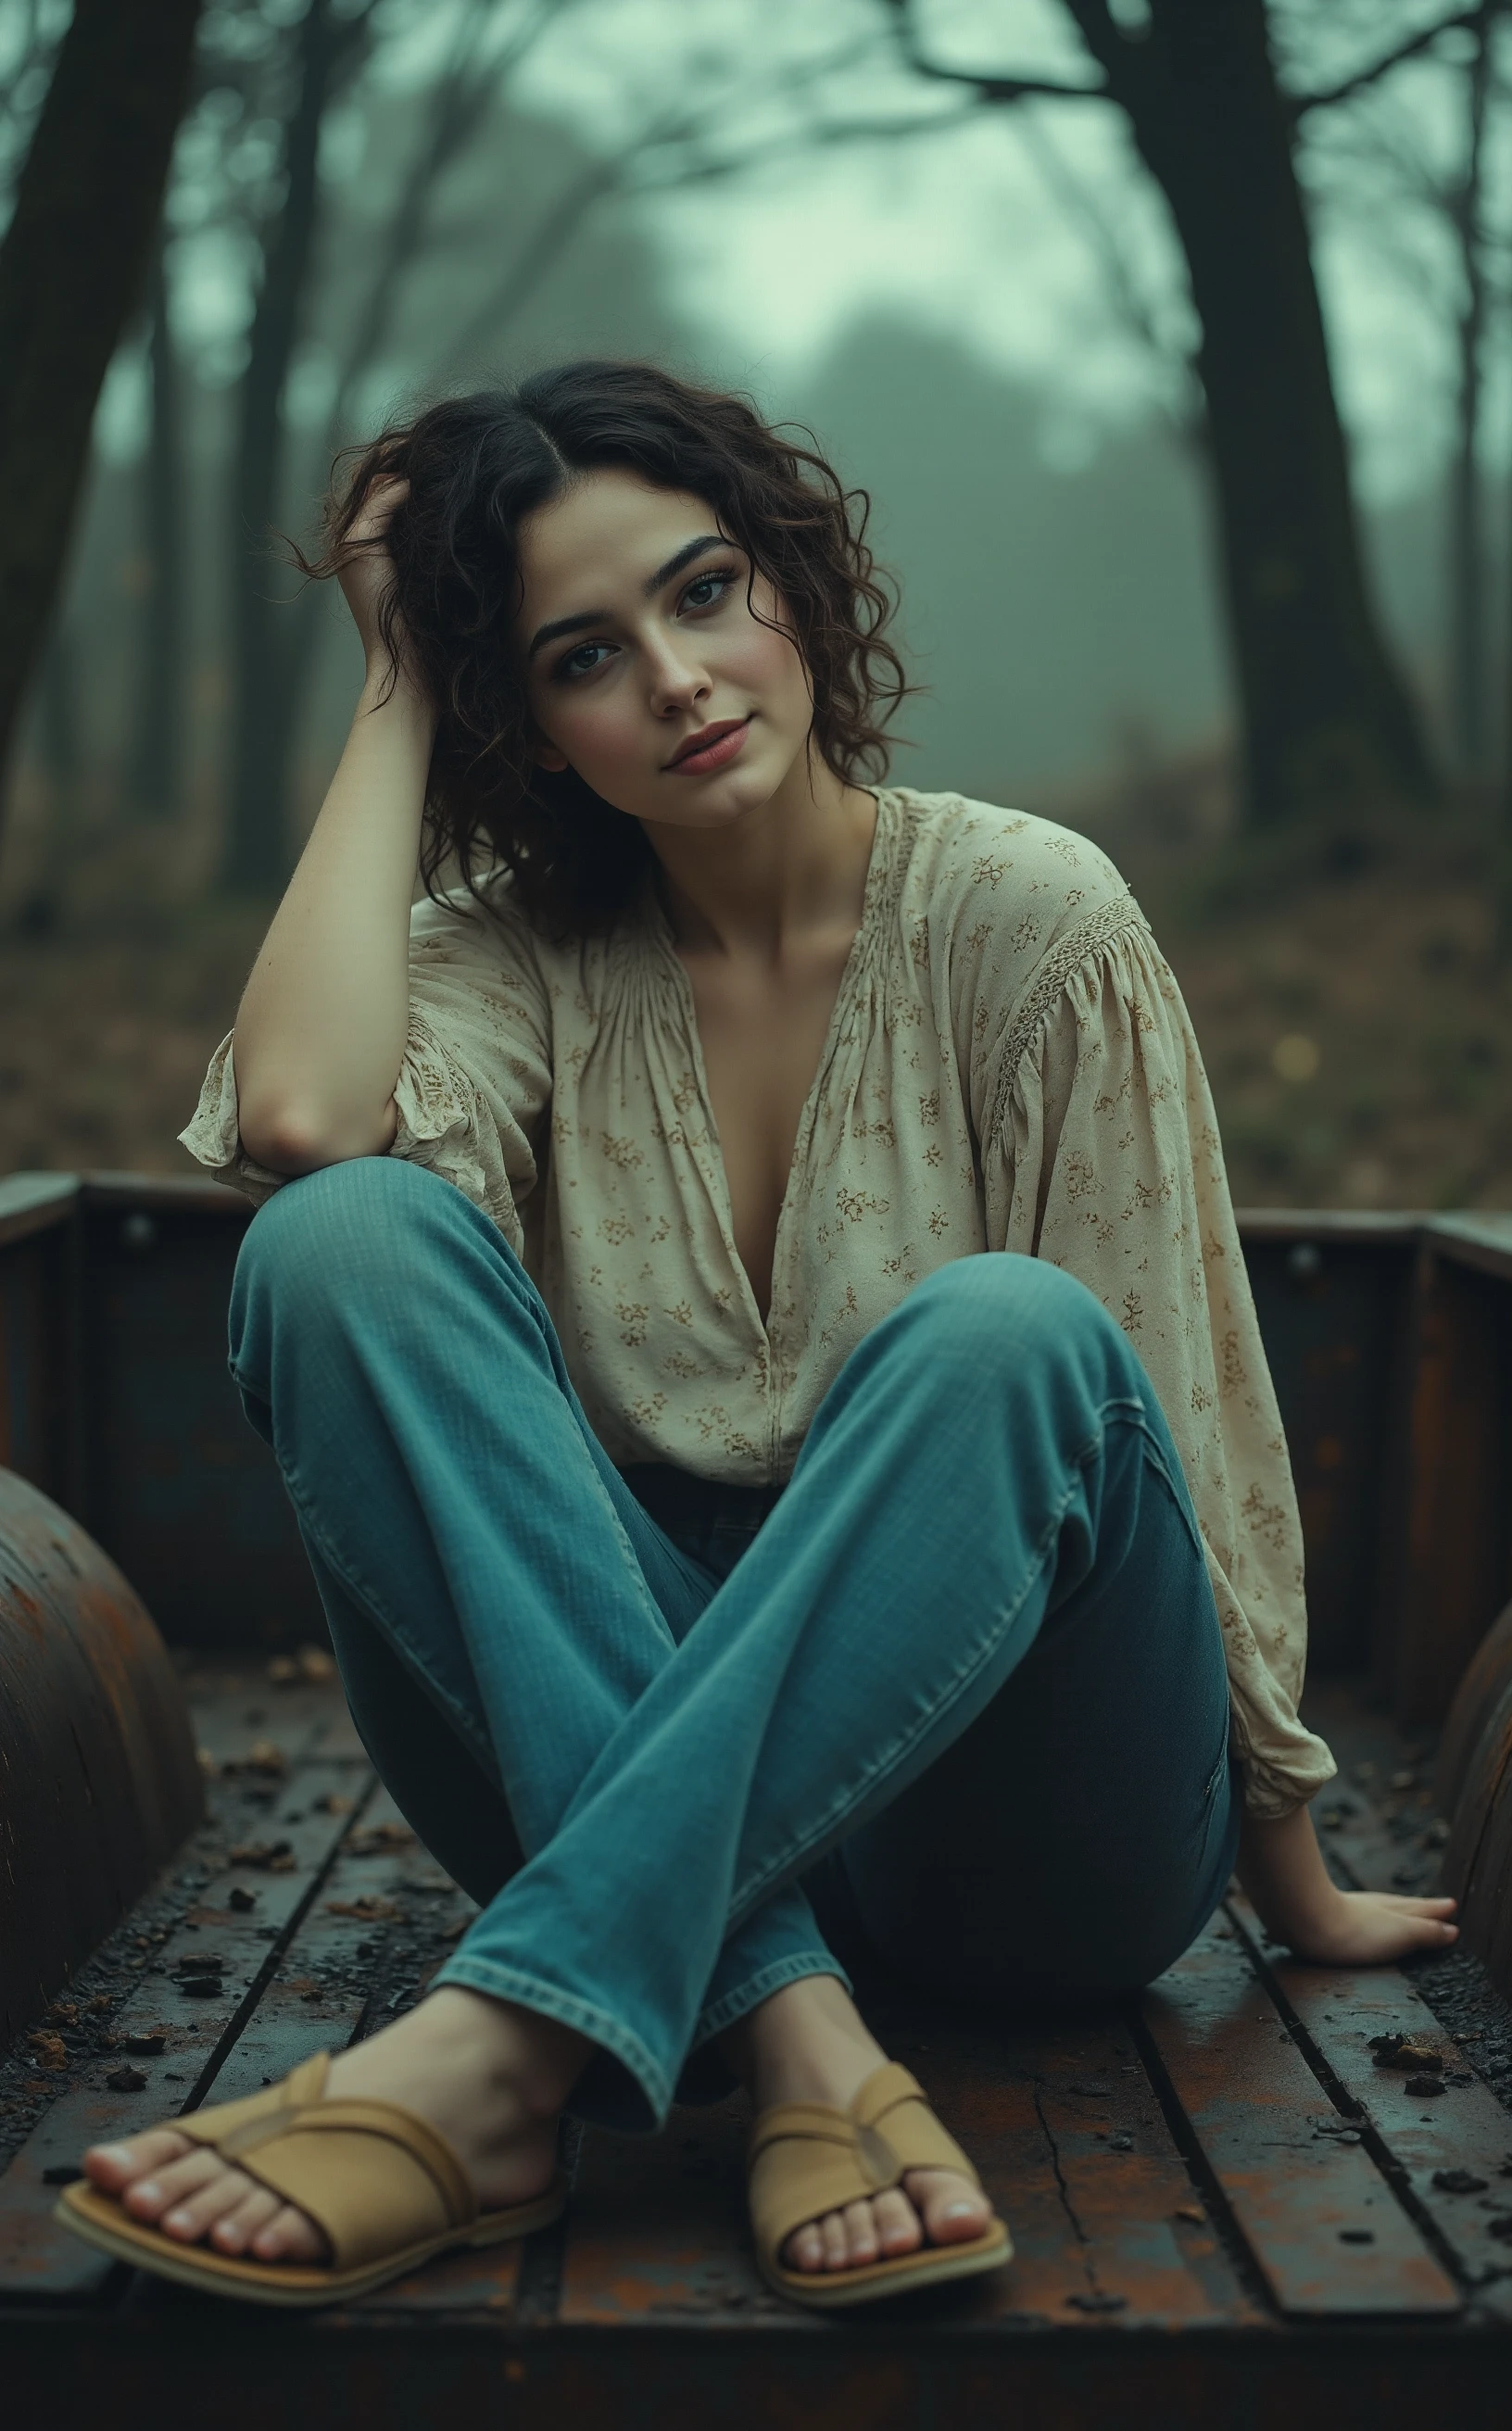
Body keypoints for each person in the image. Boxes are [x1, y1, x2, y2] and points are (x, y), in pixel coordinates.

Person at [59, 361, 1457, 2312]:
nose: (680, 677)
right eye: (581, 655)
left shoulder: (1032, 918)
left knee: (1009, 1336)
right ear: (527, 728)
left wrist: (1285, 1860)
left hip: (1029, 1831)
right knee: (339, 1241)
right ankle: (789, 2020)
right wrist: (390, 676)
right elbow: (298, 1120)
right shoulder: (510, 957)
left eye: (707, 590)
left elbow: (1180, 1390)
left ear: (792, 585)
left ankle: (498, 2054)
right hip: (600, 1744)